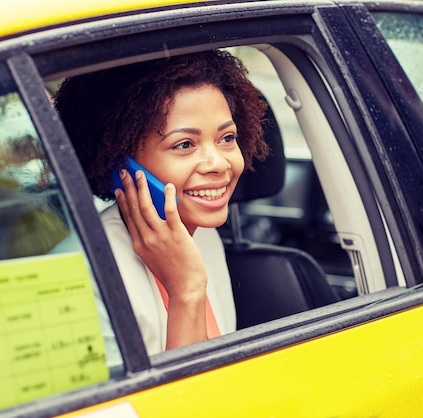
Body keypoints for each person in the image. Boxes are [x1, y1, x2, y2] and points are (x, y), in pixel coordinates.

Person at [55, 50, 269, 354]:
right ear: (120, 165)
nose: (218, 163)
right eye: (184, 144)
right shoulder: (82, 274)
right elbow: (188, 401)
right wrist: (187, 291)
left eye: (226, 138)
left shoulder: (202, 234)